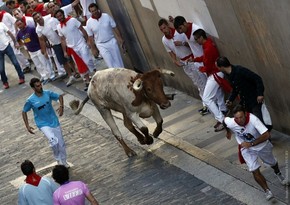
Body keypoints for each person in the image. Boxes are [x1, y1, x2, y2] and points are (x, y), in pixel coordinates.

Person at [223, 105, 288, 201]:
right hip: (246, 148)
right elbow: (224, 120)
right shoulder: (231, 122)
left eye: (241, 117)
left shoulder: (253, 120)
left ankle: (278, 173)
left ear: (245, 114)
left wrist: (252, 143)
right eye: (237, 118)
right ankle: (267, 191)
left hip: (262, 146)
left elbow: (266, 135)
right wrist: (228, 131)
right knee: (254, 169)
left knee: (272, 162)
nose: (239, 120)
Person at [158, 18, 208, 115]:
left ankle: (207, 103)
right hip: (184, 63)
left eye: (165, 27)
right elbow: (170, 52)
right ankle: (206, 104)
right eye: (162, 29)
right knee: (197, 83)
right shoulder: (164, 40)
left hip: (193, 59)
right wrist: (174, 60)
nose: (164, 30)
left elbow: (192, 44)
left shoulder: (179, 33)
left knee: (203, 81)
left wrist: (181, 44)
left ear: (168, 25)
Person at [22, 78, 69, 167]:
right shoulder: (30, 100)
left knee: (61, 144)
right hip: (42, 124)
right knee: (53, 140)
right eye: (37, 86)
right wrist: (27, 126)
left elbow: (59, 96)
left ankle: (64, 161)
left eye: (40, 85)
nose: (40, 87)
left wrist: (61, 106)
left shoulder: (47, 93)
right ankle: (58, 159)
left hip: (54, 121)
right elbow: (24, 111)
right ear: (33, 88)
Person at [216, 56, 272, 130]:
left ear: (222, 67)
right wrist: (230, 100)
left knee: (259, 122)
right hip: (245, 102)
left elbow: (257, 79)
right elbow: (235, 89)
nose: (217, 69)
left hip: (254, 99)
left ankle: (267, 139)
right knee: (249, 122)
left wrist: (260, 94)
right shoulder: (229, 75)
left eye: (218, 67)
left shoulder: (239, 70)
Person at [192, 28, 227, 132]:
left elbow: (207, 66)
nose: (196, 41)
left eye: (196, 39)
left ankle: (221, 119)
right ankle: (223, 111)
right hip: (217, 73)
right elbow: (205, 58)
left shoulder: (208, 48)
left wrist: (200, 68)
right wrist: (195, 59)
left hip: (214, 74)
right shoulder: (208, 44)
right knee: (218, 94)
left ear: (201, 37)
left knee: (207, 98)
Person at [173, 16, 209, 115]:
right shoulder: (185, 32)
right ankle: (207, 105)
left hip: (203, 61)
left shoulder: (196, 30)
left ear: (185, 23)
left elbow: (204, 46)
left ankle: (212, 106)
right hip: (196, 61)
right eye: (178, 29)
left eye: (180, 28)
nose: (180, 31)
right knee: (200, 84)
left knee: (207, 86)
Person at [55, 9, 95, 91]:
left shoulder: (72, 20)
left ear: (63, 14)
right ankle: (87, 80)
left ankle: (95, 73)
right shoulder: (59, 27)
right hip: (72, 47)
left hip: (81, 43)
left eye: (60, 15)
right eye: (57, 17)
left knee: (87, 61)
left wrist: (87, 40)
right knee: (80, 64)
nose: (59, 17)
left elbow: (82, 29)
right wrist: (64, 51)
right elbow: (62, 39)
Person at [16, 19, 55, 84]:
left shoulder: (31, 29)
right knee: (38, 65)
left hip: (38, 48)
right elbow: (18, 41)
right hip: (31, 51)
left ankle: (51, 75)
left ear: (23, 23)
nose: (19, 26)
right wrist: (21, 45)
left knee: (44, 62)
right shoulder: (19, 33)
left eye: (20, 24)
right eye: (18, 25)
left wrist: (43, 48)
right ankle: (44, 76)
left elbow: (39, 38)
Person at [87, 3, 125, 68]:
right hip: (101, 45)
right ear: (90, 12)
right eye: (92, 11)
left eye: (95, 10)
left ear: (98, 9)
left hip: (111, 41)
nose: (94, 12)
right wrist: (93, 49)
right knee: (109, 63)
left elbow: (114, 27)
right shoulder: (89, 22)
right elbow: (90, 37)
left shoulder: (106, 16)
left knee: (118, 61)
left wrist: (120, 38)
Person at [0, 21, 25, 89]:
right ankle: (5, 82)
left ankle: (21, 77)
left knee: (15, 63)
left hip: (7, 46)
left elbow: (10, 33)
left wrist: (15, 42)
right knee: (1, 69)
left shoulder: (1, 24)